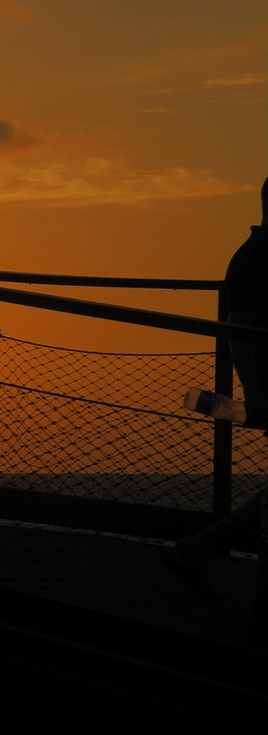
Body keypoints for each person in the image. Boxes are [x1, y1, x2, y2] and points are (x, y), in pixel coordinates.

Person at [160, 176, 267, 634]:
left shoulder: (255, 256)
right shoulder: (256, 260)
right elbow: (239, 335)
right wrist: (258, 394)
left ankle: (195, 550)